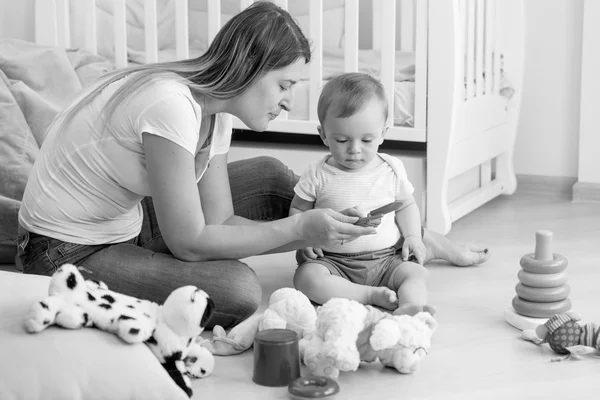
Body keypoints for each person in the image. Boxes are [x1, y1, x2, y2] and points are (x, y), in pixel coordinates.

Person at [16, 2, 379, 330]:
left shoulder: (216, 116)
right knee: (237, 290)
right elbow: (189, 242)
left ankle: (385, 246)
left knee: (272, 178)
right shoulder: (170, 103)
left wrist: (312, 232)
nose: (288, 102)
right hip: (65, 252)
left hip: (129, 219)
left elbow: (220, 223)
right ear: (249, 68)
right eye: (284, 85)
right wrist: (298, 226)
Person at [291, 73, 489, 316]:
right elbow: (298, 211)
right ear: (323, 135)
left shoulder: (391, 169)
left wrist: (413, 237)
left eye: (366, 140)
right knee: (306, 278)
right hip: (333, 261)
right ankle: (368, 295)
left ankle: (409, 307)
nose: (354, 150)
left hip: (386, 259)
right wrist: (308, 240)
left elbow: (405, 205)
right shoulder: (317, 174)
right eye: (341, 140)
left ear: (383, 133)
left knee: (417, 273)